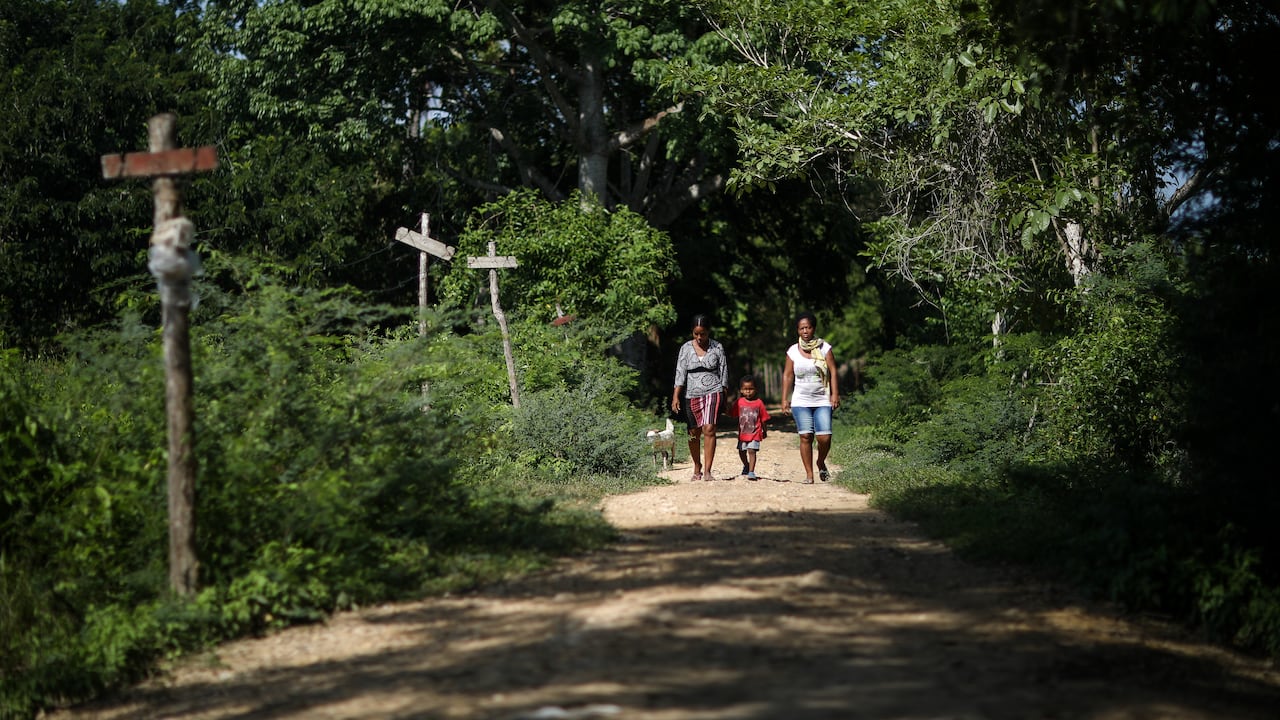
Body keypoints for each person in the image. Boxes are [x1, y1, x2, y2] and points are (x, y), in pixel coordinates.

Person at [781, 311, 839, 484]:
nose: (805, 331)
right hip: (801, 400)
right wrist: (785, 399)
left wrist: (835, 394)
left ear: (814, 328)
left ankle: (820, 461)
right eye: (801, 328)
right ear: (798, 330)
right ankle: (809, 474)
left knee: (824, 437)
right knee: (805, 436)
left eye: (808, 327)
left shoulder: (825, 348)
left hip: (822, 398)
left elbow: (833, 371)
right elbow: (787, 375)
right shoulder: (793, 351)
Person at [671, 314, 729, 481]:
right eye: (696, 333)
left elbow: (724, 372)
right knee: (693, 432)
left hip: (713, 390)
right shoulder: (686, 349)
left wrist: (725, 396)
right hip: (692, 394)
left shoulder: (717, 347)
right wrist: (676, 396)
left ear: (708, 331)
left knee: (709, 428)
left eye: (702, 333)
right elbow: (680, 373)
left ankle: (709, 470)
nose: (699, 337)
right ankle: (697, 465)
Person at [729, 374, 770, 480]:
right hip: (743, 434)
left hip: (755, 432)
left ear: (755, 389)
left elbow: (764, 419)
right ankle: (746, 465)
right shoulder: (739, 402)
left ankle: (751, 471)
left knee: (752, 450)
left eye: (751, 389)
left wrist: (764, 431)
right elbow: (732, 414)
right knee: (741, 451)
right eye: (745, 389)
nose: (748, 391)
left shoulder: (759, 403)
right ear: (741, 390)